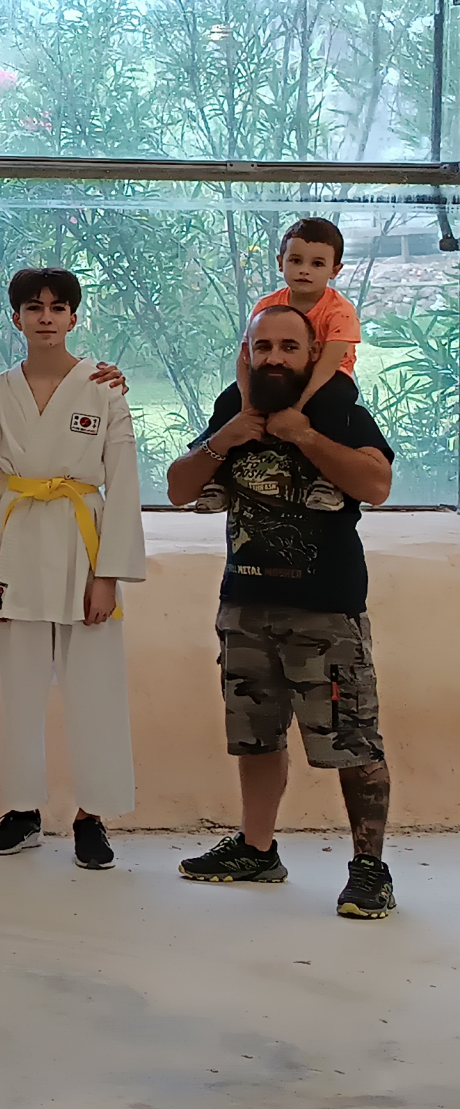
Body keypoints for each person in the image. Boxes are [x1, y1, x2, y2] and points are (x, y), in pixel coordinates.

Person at [168, 302, 398, 919]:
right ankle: (256, 849)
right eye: (262, 346)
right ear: (248, 354)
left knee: (353, 741)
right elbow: (179, 488)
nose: (274, 357)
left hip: (326, 611)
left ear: (311, 355)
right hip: (245, 605)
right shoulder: (234, 407)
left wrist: (304, 436)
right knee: (256, 737)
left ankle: (370, 868)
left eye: (288, 347)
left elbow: (376, 486)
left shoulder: (339, 411)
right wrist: (223, 439)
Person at [0, 268, 145, 869]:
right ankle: (22, 810)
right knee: (19, 688)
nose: (46, 317)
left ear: (73, 316)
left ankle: (92, 815)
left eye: (57, 307)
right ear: (15, 317)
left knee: (95, 688)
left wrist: (109, 574)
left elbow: (124, 485)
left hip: (83, 542)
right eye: (33, 307)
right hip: (17, 542)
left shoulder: (103, 389)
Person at [236, 217, 360, 414]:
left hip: (329, 379)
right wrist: (245, 407)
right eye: (295, 261)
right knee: (228, 401)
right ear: (281, 263)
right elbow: (245, 357)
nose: (304, 270)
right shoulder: (266, 306)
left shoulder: (341, 312)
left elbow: (328, 366)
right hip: (281, 372)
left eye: (317, 264)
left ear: (335, 271)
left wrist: (297, 409)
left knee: (332, 400)